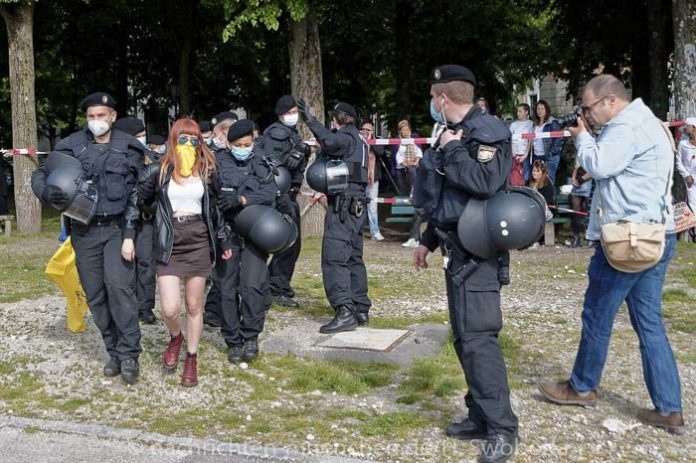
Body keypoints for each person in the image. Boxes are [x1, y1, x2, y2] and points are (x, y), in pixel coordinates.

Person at [538, 75, 684, 435]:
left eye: (588, 108)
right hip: (656, 235)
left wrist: (582, 138)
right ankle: (669, 408)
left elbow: (601, 165)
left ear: (609, 101)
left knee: (597, 314)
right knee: (649, 321)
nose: (586, 115)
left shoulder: (624, 126)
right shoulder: (650, 123)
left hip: (626, 241)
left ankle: (582, 387)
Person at [412, 65, 518, 462]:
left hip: (479, 252)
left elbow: (484, 182)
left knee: (479, 339)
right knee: (464, 338)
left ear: (443, 98)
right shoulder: (450, 134)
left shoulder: (485, 131)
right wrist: (426, 240)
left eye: (433, 98)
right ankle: (480, 416)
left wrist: (454, 147)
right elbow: (446, 196)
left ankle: (503, 428)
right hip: (454, 247)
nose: (432, 105)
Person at [31, 92, 145, 384]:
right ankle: (114, 352)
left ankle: (130, 353)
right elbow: (41, 174)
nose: (96, 122)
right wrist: (47, 192)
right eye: (91, 117)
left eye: (101, 116)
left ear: (113, 116)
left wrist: (130, 234)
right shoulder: (71, 145)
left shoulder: (129, 146)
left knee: (120, 290)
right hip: (84, 231)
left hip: (119, 230)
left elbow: (137, 194)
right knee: (95, 295)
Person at [138, 118, 232, 387]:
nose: (188, 144)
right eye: (183, 139)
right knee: (169, 308)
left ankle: (191, 357)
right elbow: (141, 201)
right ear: (173, 141)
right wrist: (144, 225)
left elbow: (215, 211)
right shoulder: (160, 171)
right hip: (169, 241)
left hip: (198, 239)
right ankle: (175, 336)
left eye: (194, 140)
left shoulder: (207, 172)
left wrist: (223, 242)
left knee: (193, 305)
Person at [297, 99, 371, 333]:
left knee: (335, 256)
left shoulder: (347, 137)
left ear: (339, 118)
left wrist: (309, 119)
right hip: (356, 202)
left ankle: (344, 311)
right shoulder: (359, 139)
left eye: (333, 118)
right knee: (353, 257)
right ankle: (360, 308)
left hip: (344, 202)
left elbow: (329, 141)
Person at [213, 119, 277, 363]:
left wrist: (242, 201)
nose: (244, 148)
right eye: (238, 144)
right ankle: (233, 340)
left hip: (255, 233)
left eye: (247, 144)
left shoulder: (261, 161)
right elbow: (211, 199)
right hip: (227, 233)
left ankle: (251, 335)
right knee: (227, 290)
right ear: (229, 144)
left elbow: (270, 193)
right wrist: (220, 238)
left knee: (252, 287)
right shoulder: (217, 163)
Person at [257, 95, 309, 307]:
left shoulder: (287, 132)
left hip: (287, 192)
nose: (292, 116)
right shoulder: (277, 133)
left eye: (294, 112)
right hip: (281, 194)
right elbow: (272, 165)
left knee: (290, 242)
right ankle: (276, 286)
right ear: (281, 114)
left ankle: (274, 283)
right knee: (289, 242)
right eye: (289, 112)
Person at [112, 116, 161, 324]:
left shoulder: (150, 157)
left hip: (146, 218)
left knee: (147, 263)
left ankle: (145, 306)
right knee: (124, 264)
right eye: (137, 136)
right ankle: (127, 305)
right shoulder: (114, 156)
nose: (141, 139)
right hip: (119, 220)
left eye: (142, 135)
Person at [202, 112, 240, 328]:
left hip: (237, 219)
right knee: (224, 268)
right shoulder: (214, 157)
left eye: (217, 134)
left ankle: (225, 307)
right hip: (219, 219)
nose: (214, 139)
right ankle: (215, 309)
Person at [395, 120, 424, 248]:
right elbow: (398, 158)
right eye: (404, 130)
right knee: (406, 202)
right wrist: (406, 163)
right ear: (400, 131)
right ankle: (411, 235)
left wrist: (415, 161)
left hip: (413, 170)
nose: (406, 132)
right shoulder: (398, 142)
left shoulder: (414, 141)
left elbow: (419, 154)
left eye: (408, 130)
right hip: (402, 171)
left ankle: (415, 237)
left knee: (416, 204)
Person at [360, 122, 385, 241]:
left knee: (372, 206)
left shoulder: (377, 140)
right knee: (359, 205)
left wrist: (370, 140)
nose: (365, 131)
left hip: (373, 178)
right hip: (360, 178)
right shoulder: (358, 140)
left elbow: (380, 152)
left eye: (368, 130)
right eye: (363, 129)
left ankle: (375, 232)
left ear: (372, 131)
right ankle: (358, 231)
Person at [532, 100, 564, 186]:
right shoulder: (535, 124)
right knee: (538, 181)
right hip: (537, 155)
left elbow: (559, 138)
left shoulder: (552, 122)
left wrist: (551, 153)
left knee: (549, 181)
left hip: (549, 156)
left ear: (546, 110)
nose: (540, 111)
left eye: (542, 108)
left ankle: (551, 199)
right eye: (538, 109)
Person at [676, 117, 696, 241]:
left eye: (687, 126)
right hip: (690, 181)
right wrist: (686, 175)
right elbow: (678, 162)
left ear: (693, 127)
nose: (685, 128)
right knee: (693, 205)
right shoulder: (683, 144)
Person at [509, 103, 533, 185]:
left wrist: (525, 155)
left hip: (525, 155)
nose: (517, 113)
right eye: (517, 111)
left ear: (526, 112)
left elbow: (530, 140)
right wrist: (513, 153)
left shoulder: (531, 124)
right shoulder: (513, 124)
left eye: (520, 111)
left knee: (525, 177)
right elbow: (511, 139)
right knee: (514, 177)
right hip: (515, 155)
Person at [569, 162, 592, 247]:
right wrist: (573, 179)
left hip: (588, 182)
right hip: (576, 185)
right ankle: (576, 237)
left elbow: (594, 170)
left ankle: (591, 238)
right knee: (575, 212)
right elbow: (576, 167)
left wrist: (581, 180)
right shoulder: (581, 153)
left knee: (590, 212)